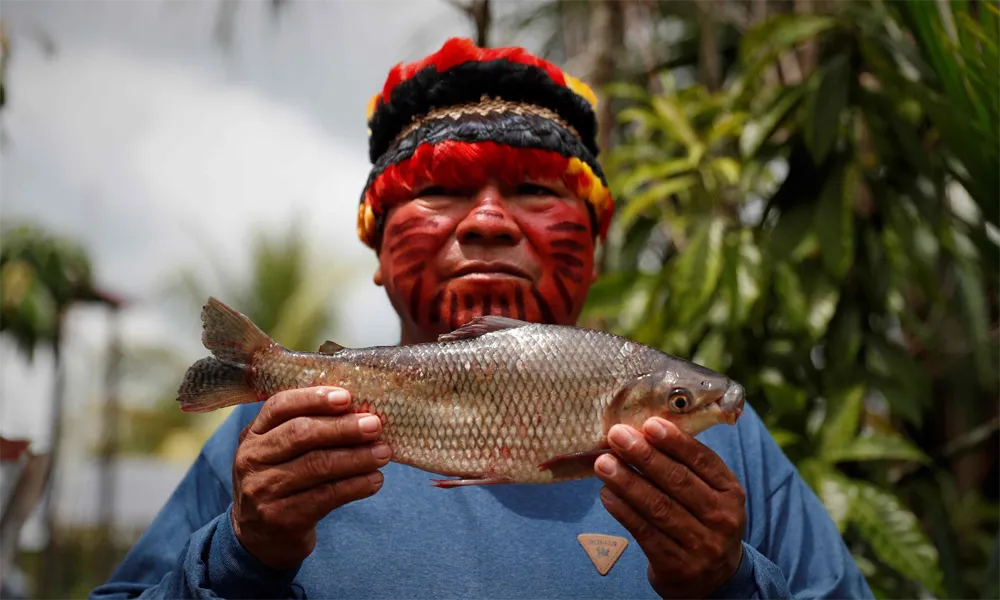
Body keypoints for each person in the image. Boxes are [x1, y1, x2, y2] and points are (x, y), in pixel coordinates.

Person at [90, 37, 873, 600]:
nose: (490, 222)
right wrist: (238, 556)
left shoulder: (724, 445)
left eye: (535, 193)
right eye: (444, 193)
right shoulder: (277, 439)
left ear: (594, 245)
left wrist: (733, 582)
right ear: (379, 247)